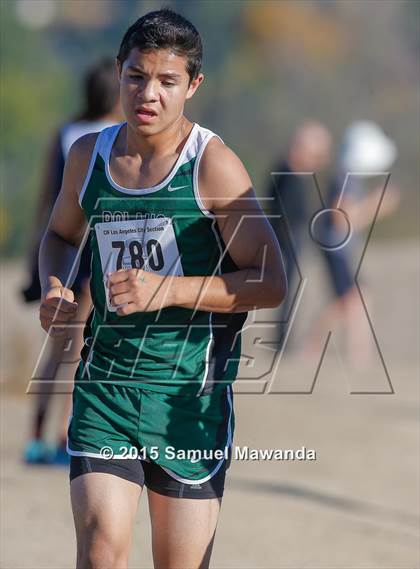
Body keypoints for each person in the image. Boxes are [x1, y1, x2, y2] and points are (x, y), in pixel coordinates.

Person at [38, 8, 286, 568]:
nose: (148, 93)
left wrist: (169, 290)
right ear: (119, 72)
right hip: (106, 391)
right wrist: (55, 285)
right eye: (135, 76)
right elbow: (57, 234)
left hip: (188, 399)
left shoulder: (214, 166)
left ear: (192, 86)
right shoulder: (90, 156)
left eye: (167, 81)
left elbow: (271, 282)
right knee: (101, 544)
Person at [23, 57, 121, 464]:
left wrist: (37, 257)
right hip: (91, 250)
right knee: (81, 346)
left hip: (59, 246)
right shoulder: (113, 138)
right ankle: (65, 435)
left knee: (56, 347)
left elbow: (50, 199)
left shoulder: (66, 133)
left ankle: (35, 436)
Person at [305, 121, 400, 363]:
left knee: (355, 299)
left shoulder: (348, 176)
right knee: (352, 300)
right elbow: (341, 220)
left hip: (339, 249)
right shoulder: (345, 177)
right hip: (336, 249)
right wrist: (377, 205)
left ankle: (352, 355)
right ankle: (341, 353)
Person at [268, 121, 332, 352]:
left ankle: (284, 339)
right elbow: (275, 207)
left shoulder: (297, 172)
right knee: (284, 289)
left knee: (292, 290)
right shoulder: (284, 171)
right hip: (284, 238)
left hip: (294, 237)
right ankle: (281, 340)